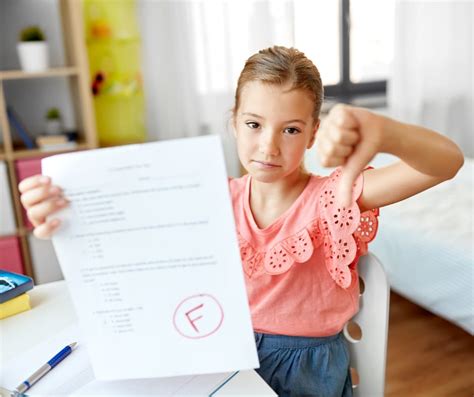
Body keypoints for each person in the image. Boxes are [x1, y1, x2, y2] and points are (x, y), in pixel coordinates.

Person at [19, 46, 464, 396]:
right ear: (233, 123)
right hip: (219, 355)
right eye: (254, 124)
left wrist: (387, 132)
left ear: (313, 132)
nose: (268, 147)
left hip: (303, 374)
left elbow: (444, 164)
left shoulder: (334, 197)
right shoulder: (213, 200)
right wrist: (66, 211)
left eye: (290, 130)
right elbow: (133, 246)